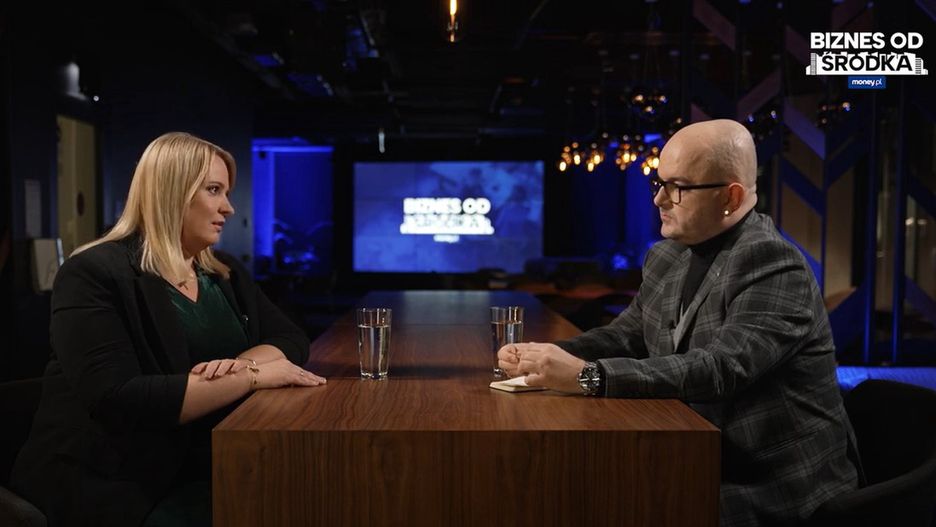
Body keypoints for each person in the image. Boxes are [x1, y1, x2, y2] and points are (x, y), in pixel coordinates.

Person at [498, 119, 859, 526]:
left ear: (731, 196)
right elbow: (628, 335)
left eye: (678, 188)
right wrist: (546, 356)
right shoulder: (667, 256)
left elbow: (722, 368)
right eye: (660, 183)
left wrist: (588, 376)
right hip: (694, 453)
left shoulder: (773, 263)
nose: (659, 199)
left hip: (772, 483)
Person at [11, 132, 326, 526]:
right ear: (171, 192)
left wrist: (239, 365)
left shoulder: (223, 272)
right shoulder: (92, 272)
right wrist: (251, 377)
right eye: (214, 190)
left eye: (227, 192)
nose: (228, 208)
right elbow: (117, 398)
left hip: (201, 462)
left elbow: (291, 338)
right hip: (117, 481)